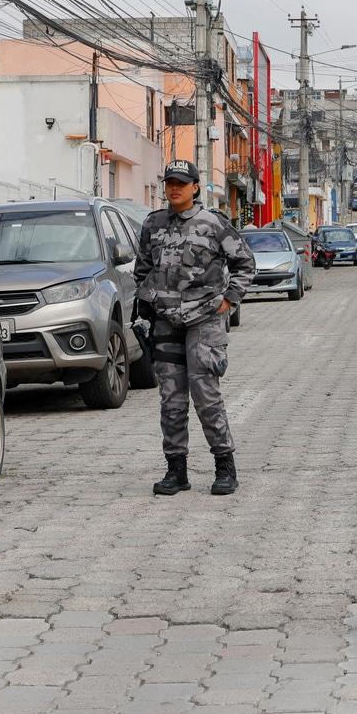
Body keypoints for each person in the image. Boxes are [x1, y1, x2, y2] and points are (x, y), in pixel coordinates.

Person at [135, 159, 254, 495]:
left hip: (204, 320)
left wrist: (229, 300)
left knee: (206, 396)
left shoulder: (213, 223)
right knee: (171, 400)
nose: (174, 188)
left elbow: (245, 263)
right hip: (165, 322)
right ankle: (177, 470)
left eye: (182, 183)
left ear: (195, 187)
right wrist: (147, 300)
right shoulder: (153, 223)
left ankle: (224, 466)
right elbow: (142, 268)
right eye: (170, 182)